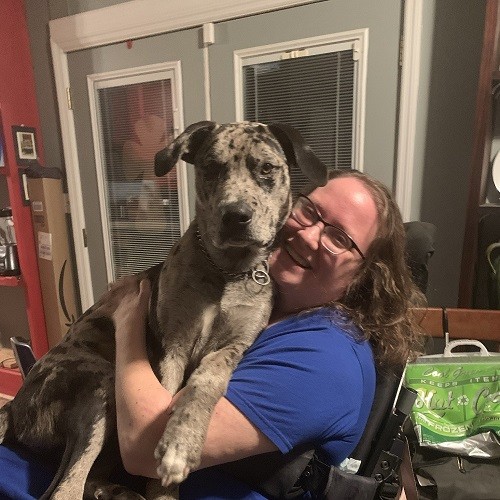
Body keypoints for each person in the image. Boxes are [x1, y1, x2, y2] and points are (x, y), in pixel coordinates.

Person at [0, 169, 425, 499]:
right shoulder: (265, 301)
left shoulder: (323, 358)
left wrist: (127, 316)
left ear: (365, 275)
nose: (308, 234)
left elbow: (148, 449)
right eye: (310, 211)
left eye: (338, 238)